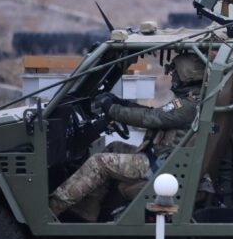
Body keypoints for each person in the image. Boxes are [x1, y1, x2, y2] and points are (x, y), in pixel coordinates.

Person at [48, 53, 205, 221]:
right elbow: (155, 113)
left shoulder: (188, 105)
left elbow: (150, 118)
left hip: (160, 166)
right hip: (162, 158)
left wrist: (112, 109)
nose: (172, 76)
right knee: (114, 147)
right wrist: (121, 103)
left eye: (175, 72)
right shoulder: (188, 100)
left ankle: (50, 209)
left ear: (186, 75)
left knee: (99, 162)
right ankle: (88, 209)